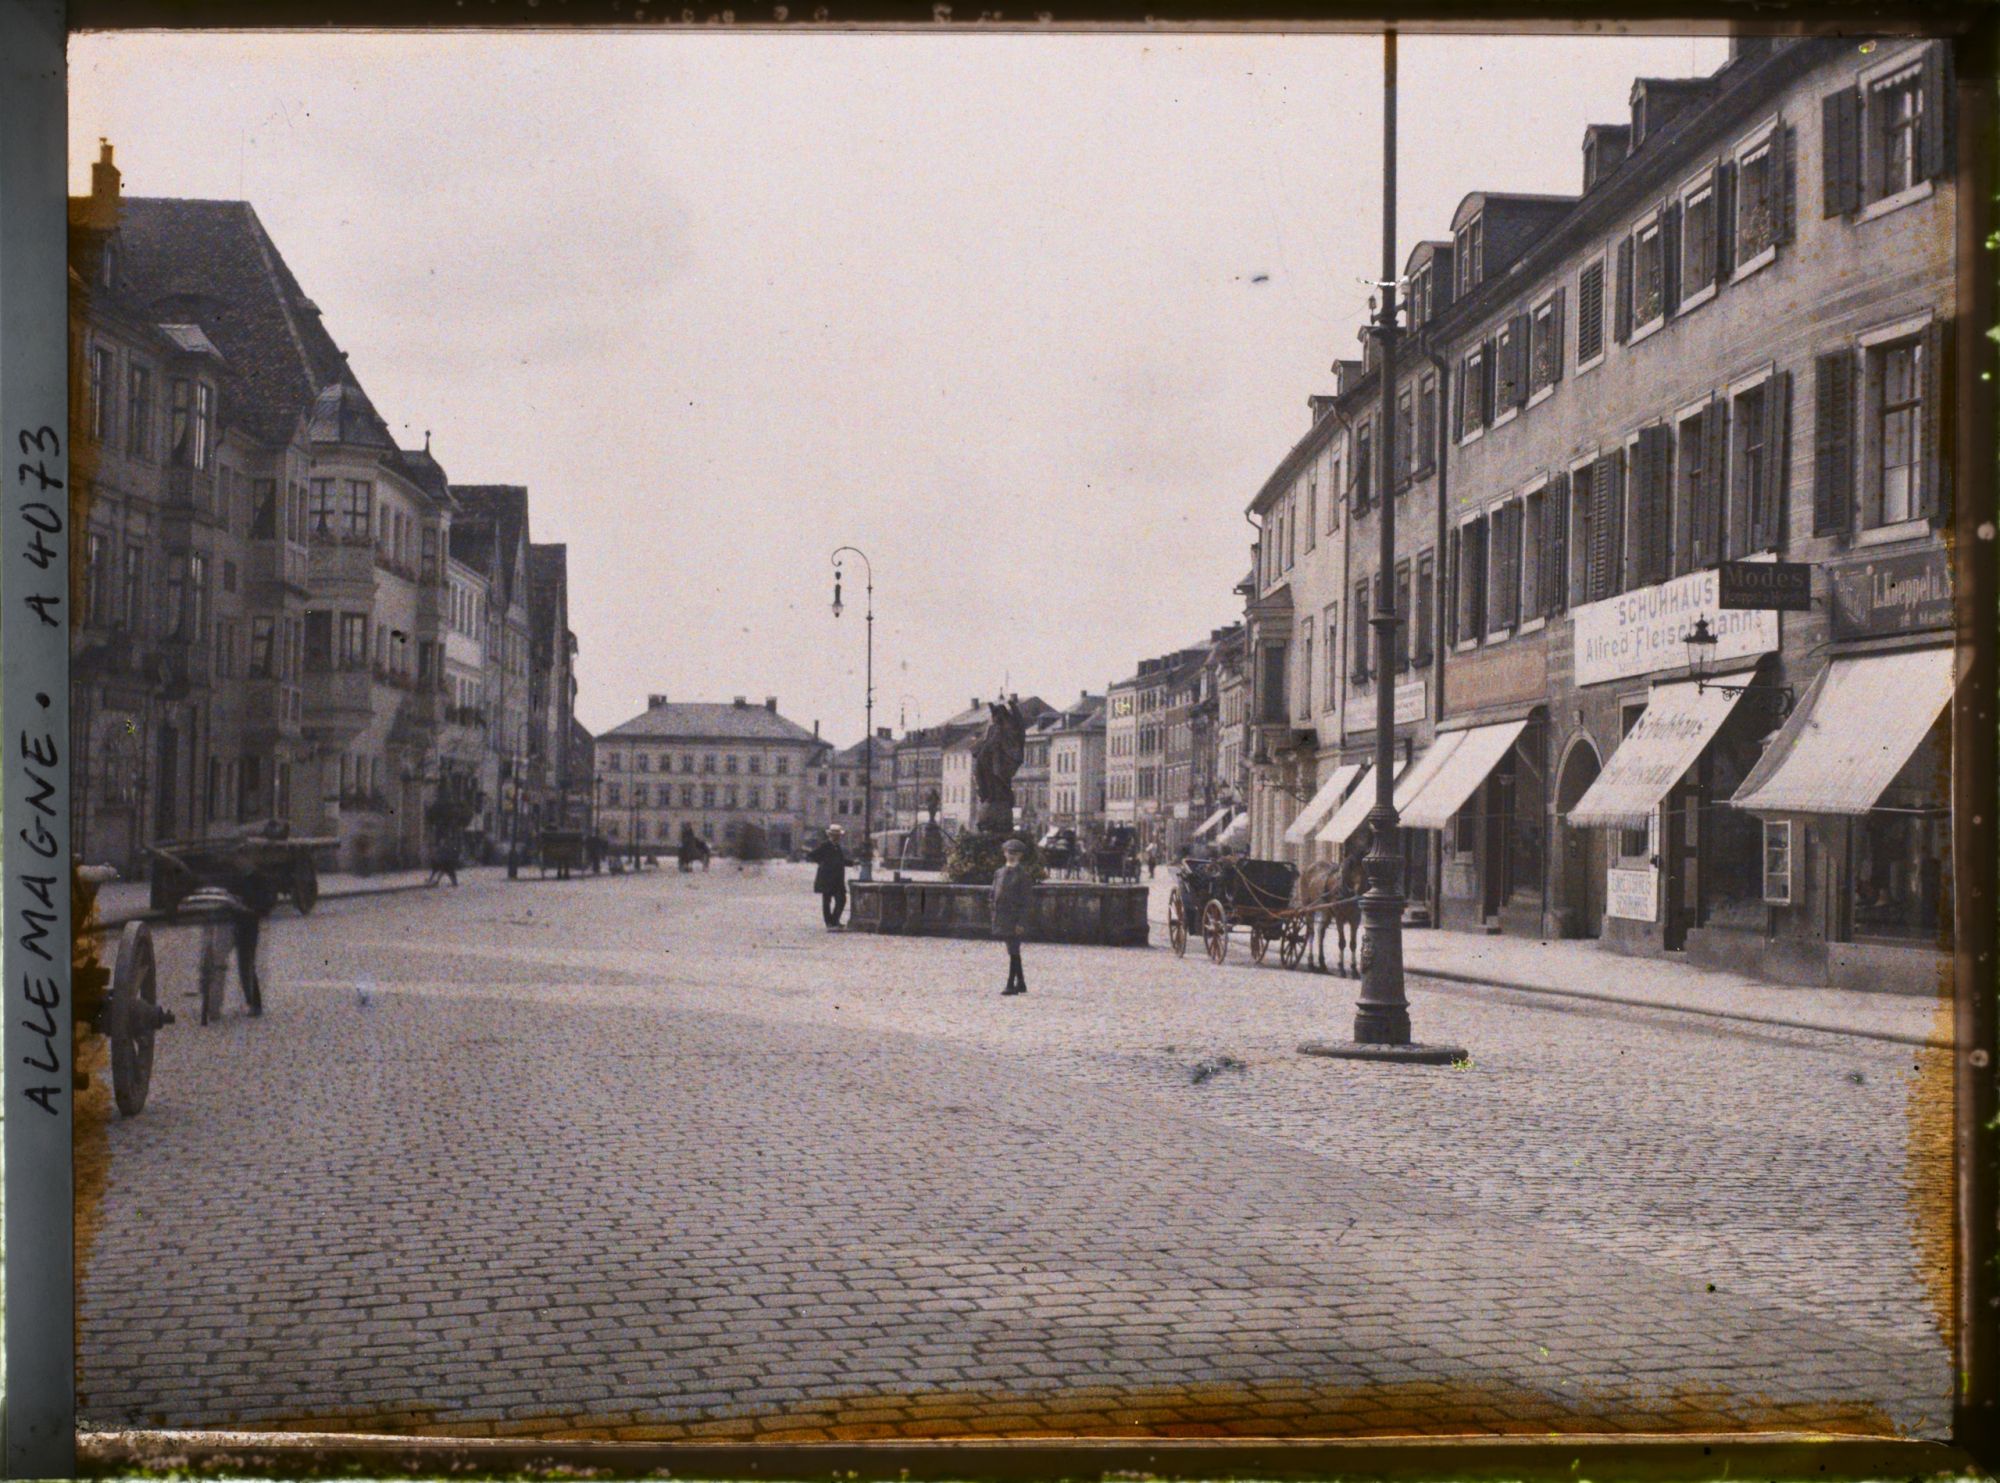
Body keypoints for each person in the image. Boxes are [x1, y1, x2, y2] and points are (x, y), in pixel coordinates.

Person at [992, 837, 1033, 996]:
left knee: (1013, 949)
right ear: (1004, 853)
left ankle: (1011, 983)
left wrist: (1021, 922)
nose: (1011, 856)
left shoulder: (1023, 875)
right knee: (1013, 950)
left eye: (1015, 853)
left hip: (1014, 918)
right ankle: (1021, 982)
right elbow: (994, 892)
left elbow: (1027, 900)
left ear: (1021, 855)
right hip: (1002, 917)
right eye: (1009, 852)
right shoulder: (999, 873)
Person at [808, 825, 849, 930]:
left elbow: (840, 861)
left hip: (837, 879)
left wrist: (853, 863)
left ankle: (834, 921)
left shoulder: (837, 846)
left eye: (838, 835)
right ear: (830, 835)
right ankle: (830, 924)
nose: (837, 837)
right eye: (835, 835)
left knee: (842, 899)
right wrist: (823, 864)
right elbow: (812, 855)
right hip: (827, 878)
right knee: (827, 901)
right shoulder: (825, 845)